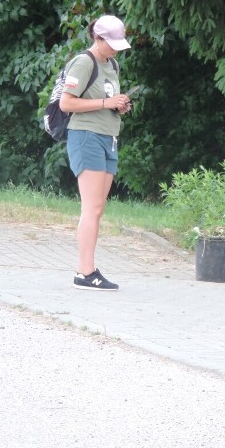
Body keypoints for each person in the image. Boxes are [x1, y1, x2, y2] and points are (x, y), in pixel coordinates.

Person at [60, 15, 133, 291]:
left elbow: (105, 101)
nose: (115, 48)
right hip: (86, 137)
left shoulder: (111, 64)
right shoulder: (83, 62)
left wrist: (119, 105)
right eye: (111, 43)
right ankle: (85, 272)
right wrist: (106, 101)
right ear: (97, 38)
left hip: (108, 138)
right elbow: (67, 104)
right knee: (90, 208)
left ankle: (87, 269)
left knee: (98, 209)